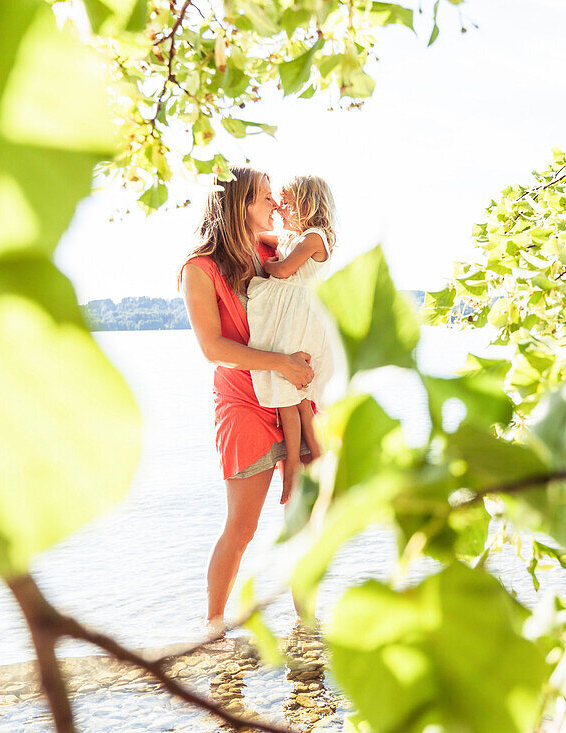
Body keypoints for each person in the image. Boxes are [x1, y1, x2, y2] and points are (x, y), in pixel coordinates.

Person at [179, 165, 314, 639]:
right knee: (243, 526)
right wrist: (280, 362)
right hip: (243, 402)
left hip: (292, 397)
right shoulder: (199, 270)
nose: (274, 206)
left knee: (301, 516)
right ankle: (213, 627)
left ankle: (307, 624)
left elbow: (318, 249)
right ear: (237, 204)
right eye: (263, 198)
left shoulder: (271, 251)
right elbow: (213, 349)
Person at [247, 174, 337, 497]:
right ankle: (317, 459)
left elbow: (285, 270)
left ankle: (298, 467)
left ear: (306, 205)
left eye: (286, 204)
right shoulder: (297, 237)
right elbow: (268, 236)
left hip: (302, 322)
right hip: (295, 320)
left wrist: (267, 266)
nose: (280, 210)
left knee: (290, 392)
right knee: (297, 398)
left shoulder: (315, 238)